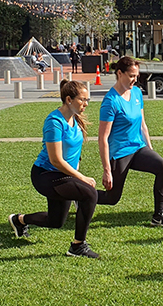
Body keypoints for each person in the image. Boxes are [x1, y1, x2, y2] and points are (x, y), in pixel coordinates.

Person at [8, 80, 99, 258]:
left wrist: (76, 175)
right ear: (68, 99)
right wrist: (80, 178)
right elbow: (56, 160)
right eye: (82, 99)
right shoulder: (54, 122)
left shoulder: (75, 119)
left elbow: (74, 152)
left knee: (55, 221)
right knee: (90, 194)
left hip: (63, 175)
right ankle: (78, 246)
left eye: (87, 99)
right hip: (45, 175)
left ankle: (19, 220)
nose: (86, 104)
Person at [97, 56, 163, 227]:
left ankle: (158, 216)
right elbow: (103, 138)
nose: (135, 79)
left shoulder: (137, 93)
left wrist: (151, 149)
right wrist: (107, 170)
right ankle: (82, 196)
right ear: (119, 73)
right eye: (131, 75)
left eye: (136, 75)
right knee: (112, 198)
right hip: (119, 152)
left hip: (138, 148)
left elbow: (142, 125)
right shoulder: (111, 101)